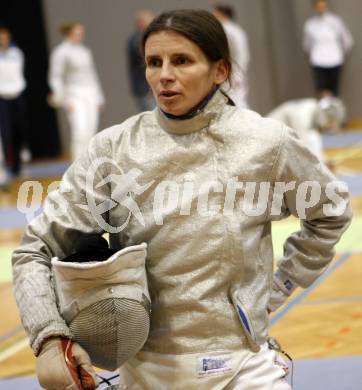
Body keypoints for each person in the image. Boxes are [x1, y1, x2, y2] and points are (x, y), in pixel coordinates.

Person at [12, 9, 352, 390]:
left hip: (243, 369)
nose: (164, 75)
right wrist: (48, 336)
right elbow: (35, 249)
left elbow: (331, 211)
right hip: (145, 373)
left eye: (182, 61)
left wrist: (280, 287)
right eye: (154, 62)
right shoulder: (115, 150)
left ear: (220, 70)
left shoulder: (265, 142)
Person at [48, 22, 105, 160]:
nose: (80, 35)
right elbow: (55, 77)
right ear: (69, 33)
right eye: (77, 32)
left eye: (81, 32)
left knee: (91, 130)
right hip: (73, 95)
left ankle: (89, 165)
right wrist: (62, 98)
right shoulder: (61, 52)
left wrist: (99, 97)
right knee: (79, 130)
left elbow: (92, 74)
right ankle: (77, 166)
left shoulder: (84, 51)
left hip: (90, 94)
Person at [267, 95, 346, 162]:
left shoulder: (312, 108)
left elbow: (314, 142)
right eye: (330, 120)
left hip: (278, 140)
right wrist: (323, 166)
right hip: (268, 139)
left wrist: (324, 160)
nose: (329, 125)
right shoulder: (302, 116)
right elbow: (305, 147)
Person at [303, 0, 354, 96]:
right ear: (314, 7)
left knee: (334, 90)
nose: (321, 9)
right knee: (322, 89)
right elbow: (307, 45)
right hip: (318, 61)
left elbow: (347, 41)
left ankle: (333, 108)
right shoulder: (310, 25)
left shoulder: (335, 21)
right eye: (318, 6)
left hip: (335, 60)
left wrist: (339, 53)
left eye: (323, 6)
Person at [0, 26, 28, 186]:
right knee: (6, 132)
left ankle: (17, 165)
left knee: (19, 129)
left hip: (17, 95)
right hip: (2, 98)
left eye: (5, 36)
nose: (3, 39)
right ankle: (8, 165)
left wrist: (18, 89)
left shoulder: (16, 53)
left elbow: (19, 74)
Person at [213, 4, 250, 108]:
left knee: (234, 100)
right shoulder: (237, 29)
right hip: (233, 70)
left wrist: (236, 74)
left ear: (221, 14)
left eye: (215, 13)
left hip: (231, 71)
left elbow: (239, 54)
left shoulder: (227, 30)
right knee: (236, 99)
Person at [127, 10, 155, 112]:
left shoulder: (144, 38)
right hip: (144, 88)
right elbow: (146, 55)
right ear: (141, 23)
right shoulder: (136, 40)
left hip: (149, 87)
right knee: (151, 117)